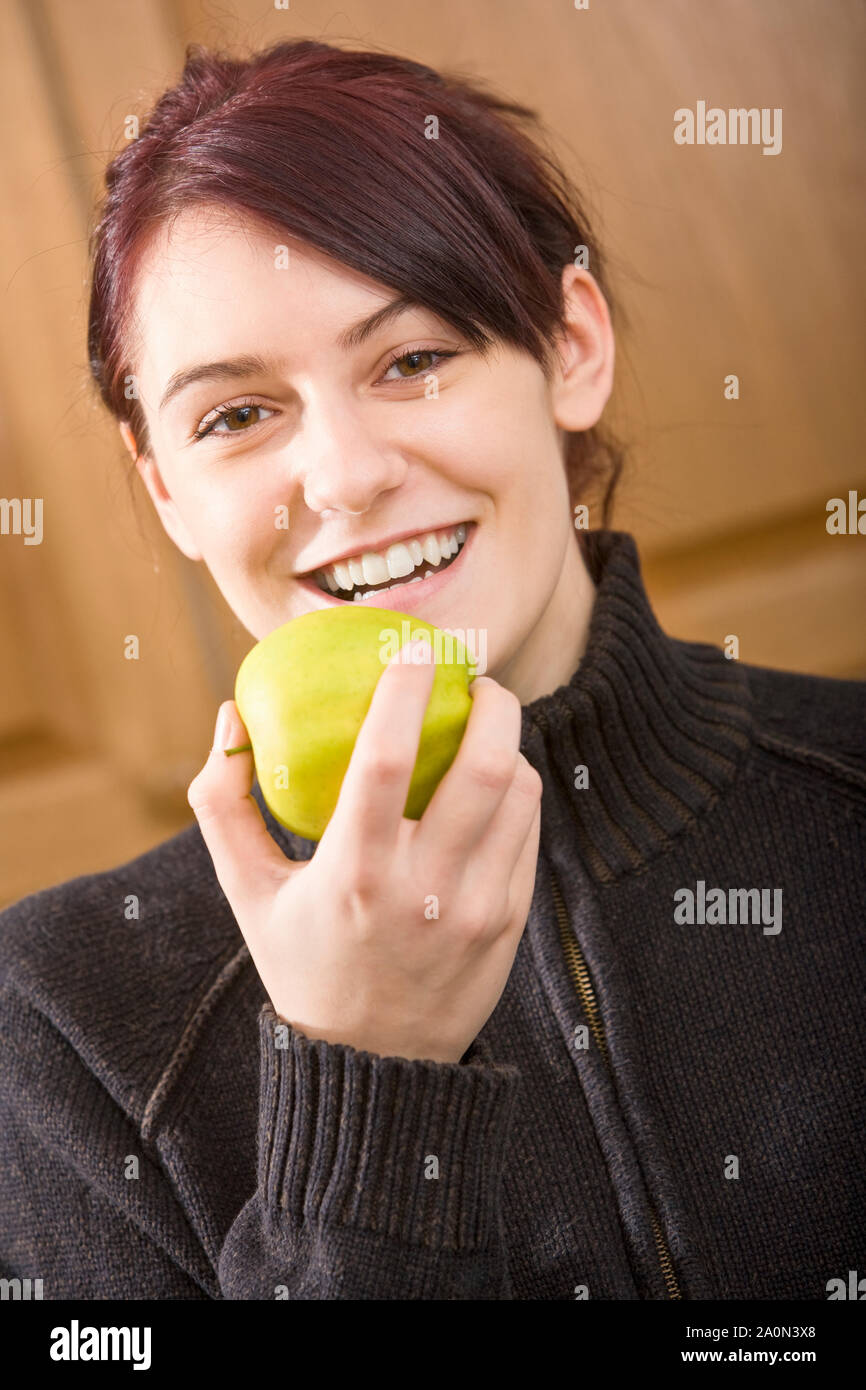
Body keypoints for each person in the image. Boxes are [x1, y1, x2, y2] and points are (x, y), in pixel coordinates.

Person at [1, 38, 863, 1302]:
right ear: (165, 487)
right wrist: (362, 1084)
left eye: (412, 359)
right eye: (236, 414)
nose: (344, 475)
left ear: (569, 343)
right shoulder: (63, 1019)